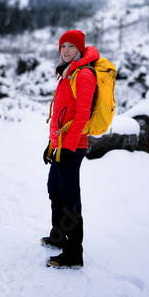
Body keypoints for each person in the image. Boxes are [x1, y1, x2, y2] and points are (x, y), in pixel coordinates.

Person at [42, 29, 99, 269]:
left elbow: (82, 115)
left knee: (70, 199)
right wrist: (52, 144)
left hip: (73, 146)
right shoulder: (67, 73)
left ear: (79, 49)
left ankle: (74, 254)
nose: (65, 51)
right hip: (62, 144)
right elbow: (61, 113)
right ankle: (58, 237)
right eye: (62, 46)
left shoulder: (83, 74)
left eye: (70, 47)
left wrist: (68, 146)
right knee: (54, 189)